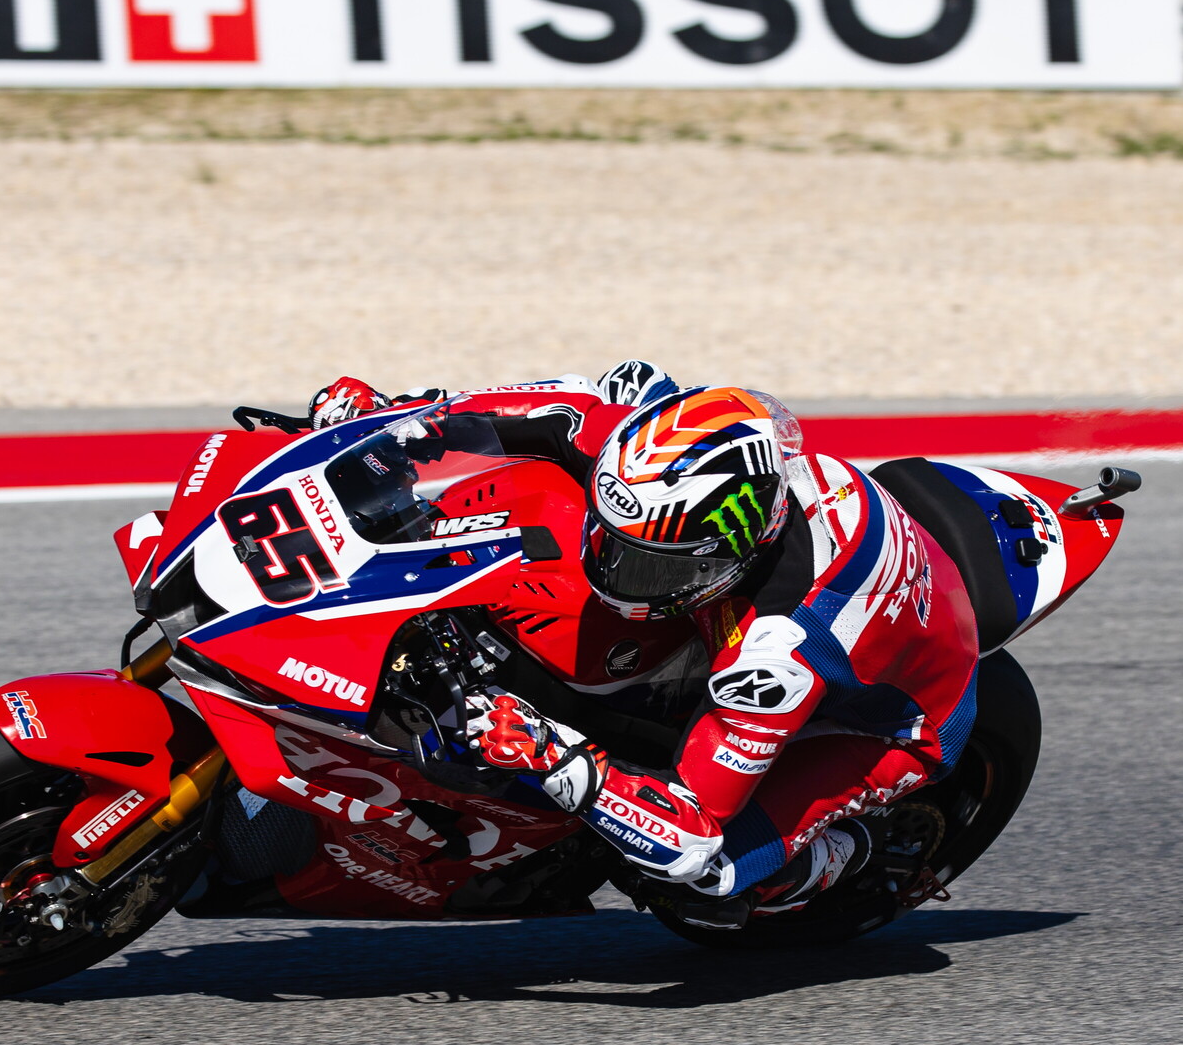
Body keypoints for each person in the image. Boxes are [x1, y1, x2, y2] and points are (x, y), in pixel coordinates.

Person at [305, 365, 980, 928]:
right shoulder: (656, 450)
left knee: (705, 881)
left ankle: (845, 855)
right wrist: (395, 420)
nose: (613, 570)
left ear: (727, 555)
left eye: (649, 567)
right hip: (857, 591)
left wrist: (549, 753)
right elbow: (553, 408)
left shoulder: (776, 656)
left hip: (893, 724)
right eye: (611, 539)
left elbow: (690, 834)